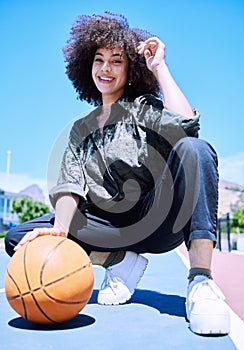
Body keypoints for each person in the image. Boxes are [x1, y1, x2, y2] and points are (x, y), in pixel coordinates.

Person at [5, 12, 230, 335]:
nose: (105, 69)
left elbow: (187, 128)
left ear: (129, 70)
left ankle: (201, 282)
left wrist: (160, 67)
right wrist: (59, 232)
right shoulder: (81, 129)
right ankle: (118, 261)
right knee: (21, 239)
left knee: (196, 149)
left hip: (156, 220)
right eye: (99, 60)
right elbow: (70, 185)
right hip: (107, 228)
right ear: (88, 66)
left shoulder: (143, 107)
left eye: (116, 61)